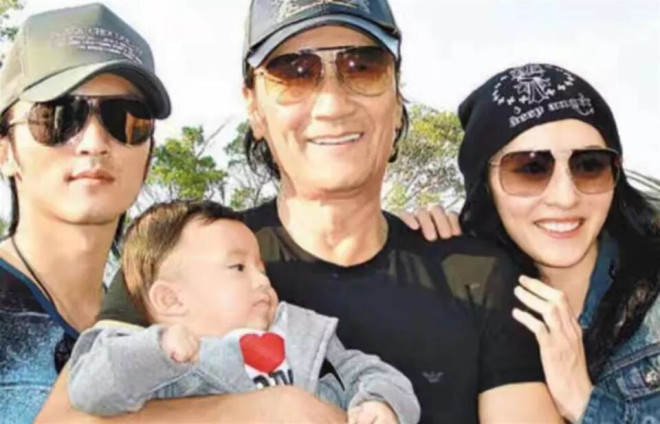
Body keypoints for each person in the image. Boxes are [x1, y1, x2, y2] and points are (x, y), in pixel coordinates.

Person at [39, 1, 563, 422]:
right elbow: (71, 414)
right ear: (254, 107)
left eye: (363, 66)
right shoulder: (187, 254)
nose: (332, 103)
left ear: (396, 97)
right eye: (293, 72)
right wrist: (259, 412)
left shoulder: (478, 276)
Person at [404, 63, 660, 423]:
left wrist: (584, 403)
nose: (565, 197)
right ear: (485, 186)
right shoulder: (476, 298)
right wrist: (397, 243)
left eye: (589, 165)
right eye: (530, 168)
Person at [68, 200, 419, 424]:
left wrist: (380, 403)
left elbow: (372, 371)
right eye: (238, 268)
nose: (262, 280)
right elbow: (90, 389)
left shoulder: (304, 336)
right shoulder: (157, 365)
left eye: (261, 269)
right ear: (171, 300)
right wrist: (156, 350)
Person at [0, 3, 171, 423]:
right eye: (58, 117)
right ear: (6, 152)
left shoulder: (160, 324)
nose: (94, 143)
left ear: (148, 155)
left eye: (125, 118)